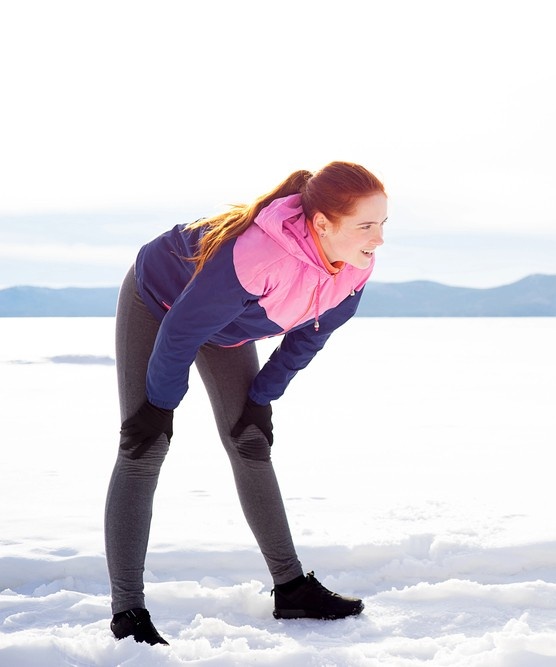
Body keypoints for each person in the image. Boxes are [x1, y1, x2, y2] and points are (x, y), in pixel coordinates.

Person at [105, 161, 387, 645]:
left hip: (228, 325)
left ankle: (292, 588)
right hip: (161, 302)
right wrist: (159, 405)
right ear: (323, 223)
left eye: (383, 224)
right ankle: (127, 612)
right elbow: (181, 332)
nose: (378, 238)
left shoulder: (355, 267)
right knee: (144, 444)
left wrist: (261, 399)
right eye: (366, 225)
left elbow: (306, 341)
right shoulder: (258, 256)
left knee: (250, 440)